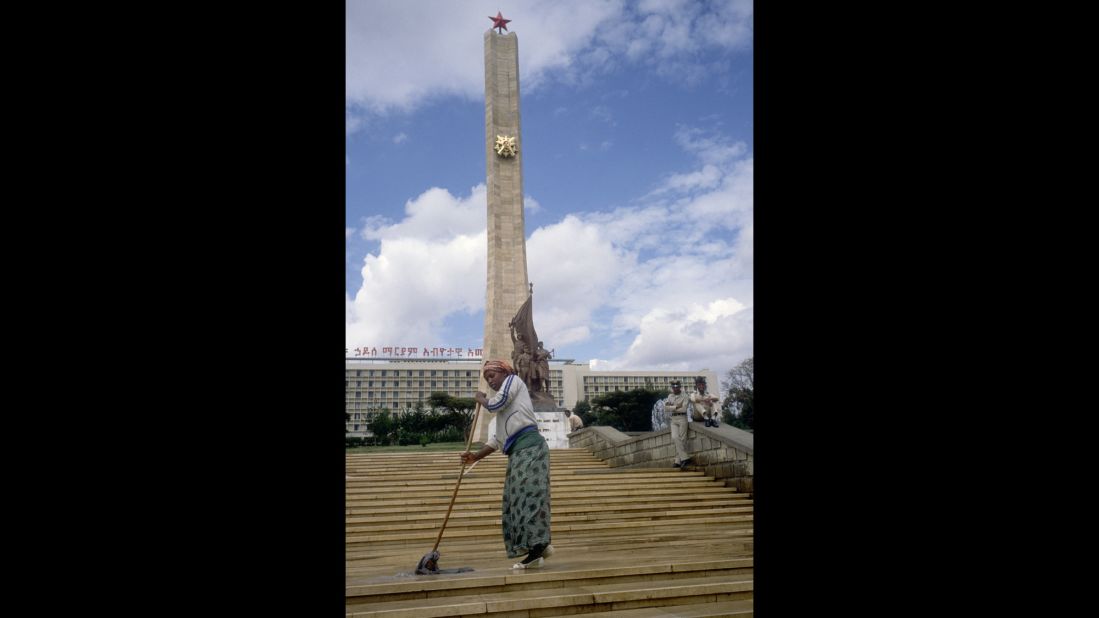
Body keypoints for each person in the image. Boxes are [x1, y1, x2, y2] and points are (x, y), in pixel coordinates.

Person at [463, 359, 555, 569]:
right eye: (487, 379)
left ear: (504, 373)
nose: (490, 382)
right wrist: (476, 457)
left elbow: (495, 403)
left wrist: (481, 400)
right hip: (516, 454)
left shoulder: (513, 381)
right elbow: (496, 441)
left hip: (531, 448)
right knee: (515, 502)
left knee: (529, 496)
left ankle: (537, 550)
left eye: (492, 376)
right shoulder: (499, 417)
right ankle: (538, 546)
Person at [664, 380, 693, 468]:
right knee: (675, 437)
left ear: (680, 387)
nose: (675, 388)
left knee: (682, 439)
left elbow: (684, 409)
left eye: (677, 386)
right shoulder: (670, 396)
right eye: (674, 387)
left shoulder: (685, 396)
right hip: (673, 419)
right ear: (672, 387)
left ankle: (677, 461)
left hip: (682, 418)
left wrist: (671, 407)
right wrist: (677, 406)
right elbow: (665, 408)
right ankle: (685, 458)